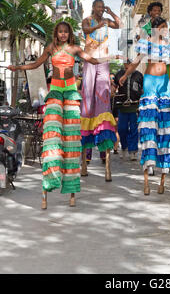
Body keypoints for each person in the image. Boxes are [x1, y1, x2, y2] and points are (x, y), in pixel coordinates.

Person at [8, 21, 103, 210]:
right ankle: (49, 181)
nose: (62, 34)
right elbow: (36, 64)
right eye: (60, 31)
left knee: (71, 137)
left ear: (69, 34)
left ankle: (71, 187)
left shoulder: (75, 48)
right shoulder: (51, 48)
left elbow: (90, 59)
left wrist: (103, 57)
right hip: (56, 90)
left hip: (70, 91)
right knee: (52, 136)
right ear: (56, 33)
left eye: (65, 32)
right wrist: (18, 68)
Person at [119, 16, 170, 196]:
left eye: (165, 27)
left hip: (164, 84)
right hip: (150, 83)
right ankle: (147, 176)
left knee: (164, 128)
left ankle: (162, 178)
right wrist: (125, 75)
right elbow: (137, 61)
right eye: (161, 27)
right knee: (148, 128)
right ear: (154, 28)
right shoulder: (146, 43)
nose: (164, 30)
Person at [80, 0, 121, 182]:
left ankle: (105, 156)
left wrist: (111, 13)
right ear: (93, 8)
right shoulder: (88, 20)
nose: (100, 9)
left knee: (103, 105)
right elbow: (86, 30)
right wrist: (101, 23)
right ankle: (85, 157)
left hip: (103, 62)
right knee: (87, 104)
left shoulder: (106, 20)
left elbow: (119, 25)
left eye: (102, 6)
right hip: (89, 61)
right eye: (98, 6)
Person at [114, 60, 143, 161]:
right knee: (122, 129)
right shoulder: (119, 75)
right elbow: (114, 87)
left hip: (134, 106)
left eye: (129, 66)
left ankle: (133, 150)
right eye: (125, 66)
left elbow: (142, 89)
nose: (127, 68)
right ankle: (124, 146)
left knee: (134, 129)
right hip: (122, 106)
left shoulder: (139, 75)